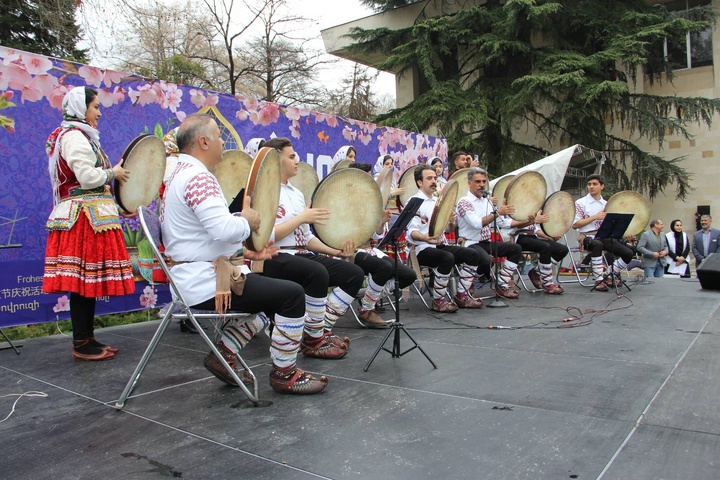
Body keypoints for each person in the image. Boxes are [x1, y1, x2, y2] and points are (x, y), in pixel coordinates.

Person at [162, 115, 327, 394]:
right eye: (218, 137)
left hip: (192, 277)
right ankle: (284, 373)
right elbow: (223, 229)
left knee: (271, 296)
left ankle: (223, 353)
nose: (223, 143)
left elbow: (207, 232)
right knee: (292, 295)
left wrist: (249, 249)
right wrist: (248, 221)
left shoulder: (181, 174)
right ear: (203, 142)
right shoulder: (198, 177)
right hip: (204, 281)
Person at [43, 86, 136, 361]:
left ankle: (87, 338)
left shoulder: (83, 136)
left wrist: (119, 204)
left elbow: (96, 184)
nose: (99, 112)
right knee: (82, 282)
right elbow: (86, 177)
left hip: (90, 217)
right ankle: (81, 342)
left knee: (86, 282)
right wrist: (113, 172)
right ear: (80, 109)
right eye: (95, 106)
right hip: (81, 219)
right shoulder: (73, 137)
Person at [262, 137, 364, 355]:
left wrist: (335, 252)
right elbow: (265, 237)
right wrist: (301, 218)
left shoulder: (296, 194)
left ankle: (316, 330)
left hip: (301, 254)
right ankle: (314, 341)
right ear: (275, 160)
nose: (296, 160)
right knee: (317, 272)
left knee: (353, 273)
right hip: (273, 256)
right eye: (291, 157)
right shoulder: (263, 192)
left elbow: (307, 238)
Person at [406, 165, 484, 312]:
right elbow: (411, 232)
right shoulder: (414, 202)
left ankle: (463, 295)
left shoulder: (438, 200)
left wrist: (451, 222)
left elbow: (448, 230)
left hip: (439, 245)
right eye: (429, 178)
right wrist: (425, 238)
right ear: (419, 182)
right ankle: (438, 300)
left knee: (473, 254)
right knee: (446, 257)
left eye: (435, 178)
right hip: (420, 249)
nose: (434, 181)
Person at [348, 162, 417, 325]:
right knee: (384, 268)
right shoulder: (344, 202)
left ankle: (368, 298)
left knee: (408, 275)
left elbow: (377, 237)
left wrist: (381, 223)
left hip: (369, 250)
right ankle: (367, 309)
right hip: (348, 251)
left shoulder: (369, 202)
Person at [456, 167, 524, 299]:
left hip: (485, 243)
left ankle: (502, 285)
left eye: (483, 182)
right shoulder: (464, 202)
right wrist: (498, 212)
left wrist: (526, 221)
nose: (482, 185)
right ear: (469, 183)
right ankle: (462, 293)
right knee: (486, 259)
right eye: (478, 182)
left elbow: (502, 223)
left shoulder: (486, 201)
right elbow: (477, 224)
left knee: (515, 248)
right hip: (470, 243)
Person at [572, 174, 634, 291]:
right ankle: (598, 279)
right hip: (586, 237)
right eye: (589, 184)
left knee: (628, 253)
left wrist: (626, 234)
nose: (591, 187)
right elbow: (575, 225)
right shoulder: (581, 203)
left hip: (603, 236)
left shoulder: (607, 204)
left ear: (602, 186)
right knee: (597, 244)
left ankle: (608, 273)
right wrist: (595, 217)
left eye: (595, 184)